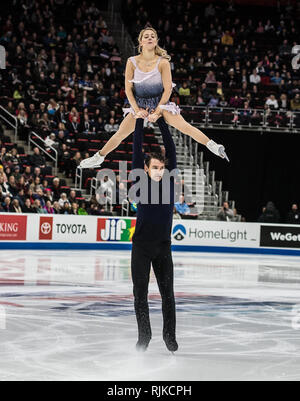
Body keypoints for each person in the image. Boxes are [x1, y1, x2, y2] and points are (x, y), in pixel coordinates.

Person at [79, 27, 229, 169]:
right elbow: (128, 89)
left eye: (152, 36)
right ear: (141, 41)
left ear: (156, 41)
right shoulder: (131, 61)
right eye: (146, 36)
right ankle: (98, 158)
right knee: (120, 134)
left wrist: (158, 111)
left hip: (161, 103)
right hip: (139, 103)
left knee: (185, 127)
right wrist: (137, 110)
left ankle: (214, 146)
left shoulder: (163, 62)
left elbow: (168, 89)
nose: (149, 38)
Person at [131, 117, 178, 353]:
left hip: (163, 247)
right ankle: (144, 336)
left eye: (162, 167)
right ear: (146, 169)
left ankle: (169, 336)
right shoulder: (140, 179)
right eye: (155, 168)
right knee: (140, 294)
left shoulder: (170, 180)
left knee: (167, 294)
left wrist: (161, 122)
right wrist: (139, 121)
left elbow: (171, 149)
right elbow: (136, 149)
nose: (159, 171)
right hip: (141, 247)